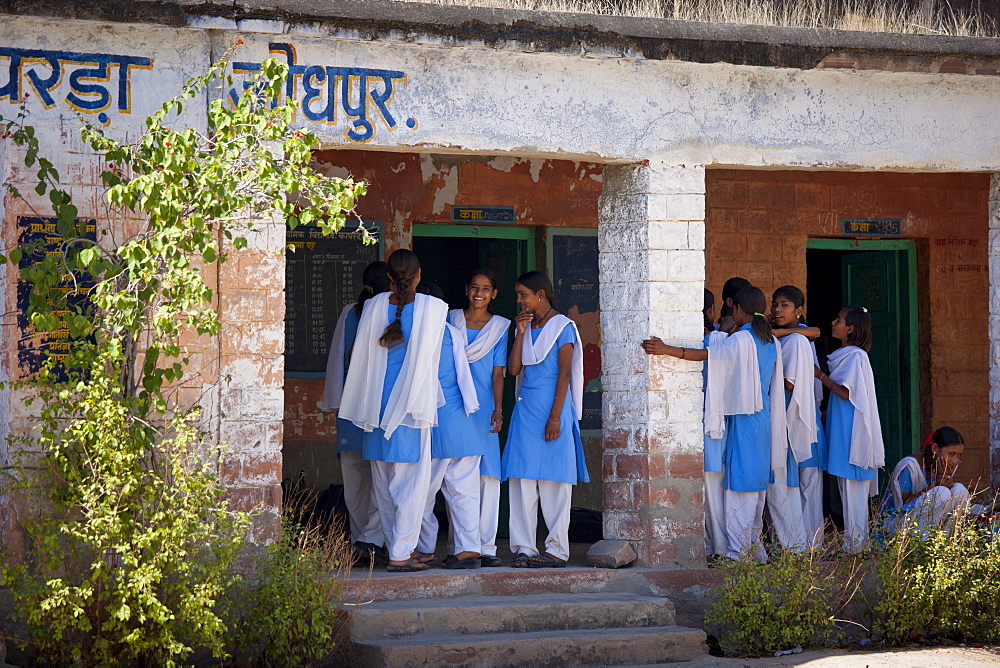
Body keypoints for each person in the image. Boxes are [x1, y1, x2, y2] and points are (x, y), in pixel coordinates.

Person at [643, 285, 786, 561]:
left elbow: (705, 355)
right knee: (755, 487)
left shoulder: (742, 340)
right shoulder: (770, 340)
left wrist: (665, 349)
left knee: (739, 487)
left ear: (738, 309)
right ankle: (754, 550)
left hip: (744, 422)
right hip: (763, 420)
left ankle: (738, 552)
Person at [340, 249, 448, 573]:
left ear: (389, 276)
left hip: (375, 407)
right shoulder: (434, 308)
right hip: (411, 408)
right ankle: (401, 553)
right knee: (412, 486)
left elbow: (355, 355)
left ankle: (395, 550)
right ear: (418, 275)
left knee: (384, 487)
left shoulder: (372, 307)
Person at [503, 271, 589, 568]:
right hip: (526, 411)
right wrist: (521, 333)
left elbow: (564, 374)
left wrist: (555, 418)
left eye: (523, 295)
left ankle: (556, 550)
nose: (519, 300)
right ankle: (524, 548)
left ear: (540, 294)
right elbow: (514, 369)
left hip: (554, 411)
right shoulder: (525, 326)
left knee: (555, 483)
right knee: (523, 481)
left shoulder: (562, 327)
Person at [321, 261, 392, 564]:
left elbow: (338, 359)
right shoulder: (391, 311)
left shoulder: (350, 312)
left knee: (355, 484)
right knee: (382, 479)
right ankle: (372, 540)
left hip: (351, 411)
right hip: (380, 410)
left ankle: (360, 539)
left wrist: (336, 402)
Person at [414, 281, 484, 569]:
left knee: (421, 493)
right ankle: (469, 549)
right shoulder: (452, 333)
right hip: (463, 425)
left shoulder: (420, 335)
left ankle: (423, 548)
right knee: (464, 493)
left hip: (436, 426)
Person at [448, 269, 510, 567]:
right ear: (466, 289)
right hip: (453, 405)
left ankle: (486, 547)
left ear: (494, 294)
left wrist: (497, 409)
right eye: (475, 287)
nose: (479, 293)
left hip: (484, 406)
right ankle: (460, 545)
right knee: (457, 477)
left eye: (486, 289)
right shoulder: (452, 320)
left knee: (487, 476)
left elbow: (498, 372)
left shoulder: (499, 328)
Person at [815, 305, 884, 555]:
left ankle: (857, 547)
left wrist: (820, 376)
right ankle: (854, 545)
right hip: (844, 429)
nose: (834, 322)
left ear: (851, 329)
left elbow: (845, 392)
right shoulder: (848, 355)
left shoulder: (855, 357)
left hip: (853, 433)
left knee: (854, 492)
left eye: (839, 319)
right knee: (847, 490)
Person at [768, 285, 821, 553]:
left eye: (785, 305)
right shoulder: (779, 338)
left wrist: (782, 332)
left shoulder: (797, 340)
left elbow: (791, 384)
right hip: (780, 418)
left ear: (799, 310)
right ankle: (796, 545)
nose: (778, 309)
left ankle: (804, 546)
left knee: (801, 483)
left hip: (793, 417)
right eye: (775, 304)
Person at [882, 427, 969, 538]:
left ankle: (943, 541)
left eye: (958, 456)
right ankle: (921, 545)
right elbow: (901, 507)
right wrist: (934, 486)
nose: (955, 460)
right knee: (942, 492)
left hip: (926, 522)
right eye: (951, 454)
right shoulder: (909, 467)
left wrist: (945, 478)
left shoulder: (947, 465)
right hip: (898, 524)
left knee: (959, 490)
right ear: (935, 448)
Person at [700, 289, 729, 559]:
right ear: (711, 311)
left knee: (710, 488)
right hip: (717, 424)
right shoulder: (722, 341)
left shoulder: (708, 342)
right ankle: (718, 546)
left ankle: (715, 546)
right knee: (715, 488)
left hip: (705, 424)